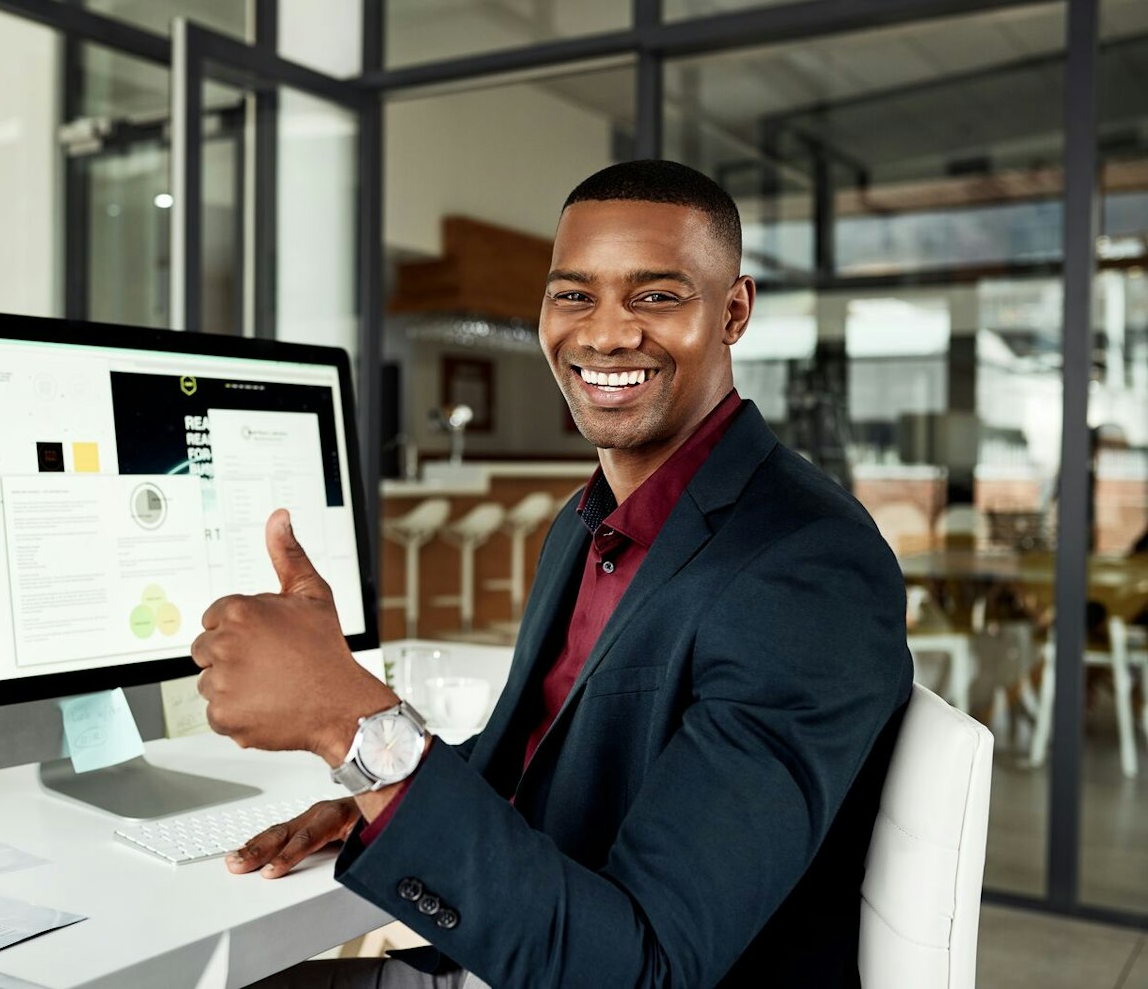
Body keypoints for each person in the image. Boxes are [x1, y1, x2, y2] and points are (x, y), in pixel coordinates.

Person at [190, 160, 913, 988]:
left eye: (656, 296)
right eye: (574, 295)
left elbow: (645, 971)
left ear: (733, 312)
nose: (604, 335)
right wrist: (379, 793)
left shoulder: (805, 566)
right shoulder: (588, 521)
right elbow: (538, 754)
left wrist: (351, 725)